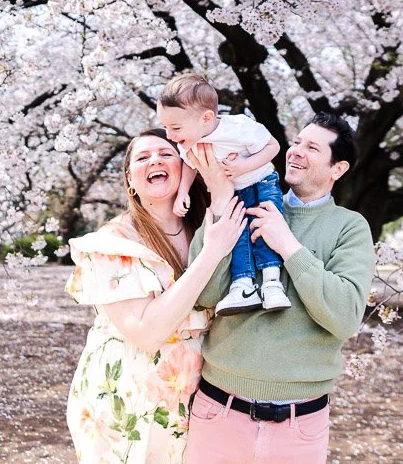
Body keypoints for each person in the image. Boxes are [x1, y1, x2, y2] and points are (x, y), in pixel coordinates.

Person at [183, 112, 377, 464]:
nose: (296, 151)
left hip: (298, 425)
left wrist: (287, 245)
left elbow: (346, 316)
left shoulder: (350, 228)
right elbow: (205, 296)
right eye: (297, 142)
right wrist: (219, 203)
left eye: (312, 148)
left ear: (338, 169)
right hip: (219, 411)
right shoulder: (244, 204)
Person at [65, 129, 247, 464]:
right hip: (127, 400)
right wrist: (211, 255)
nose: (155, 161)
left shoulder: (206, 227)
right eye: (143, 157)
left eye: (166, 154)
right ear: (130, 179)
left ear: (186, 169)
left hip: (197, 398)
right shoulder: (113, 243)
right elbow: (147, 332)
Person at [156, 73, 291, 316]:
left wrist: (244, 166)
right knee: (236, 234)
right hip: (234, 191)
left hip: (262, 181)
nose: (169, 135)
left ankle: (272, 282)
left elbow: (274, 146)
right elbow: (189, 164)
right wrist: (182, 192)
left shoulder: (238, 128)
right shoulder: (189, 142)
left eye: (175, 127)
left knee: (264, 228)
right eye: (166, 127)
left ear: (206, 118)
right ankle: (243, 284)